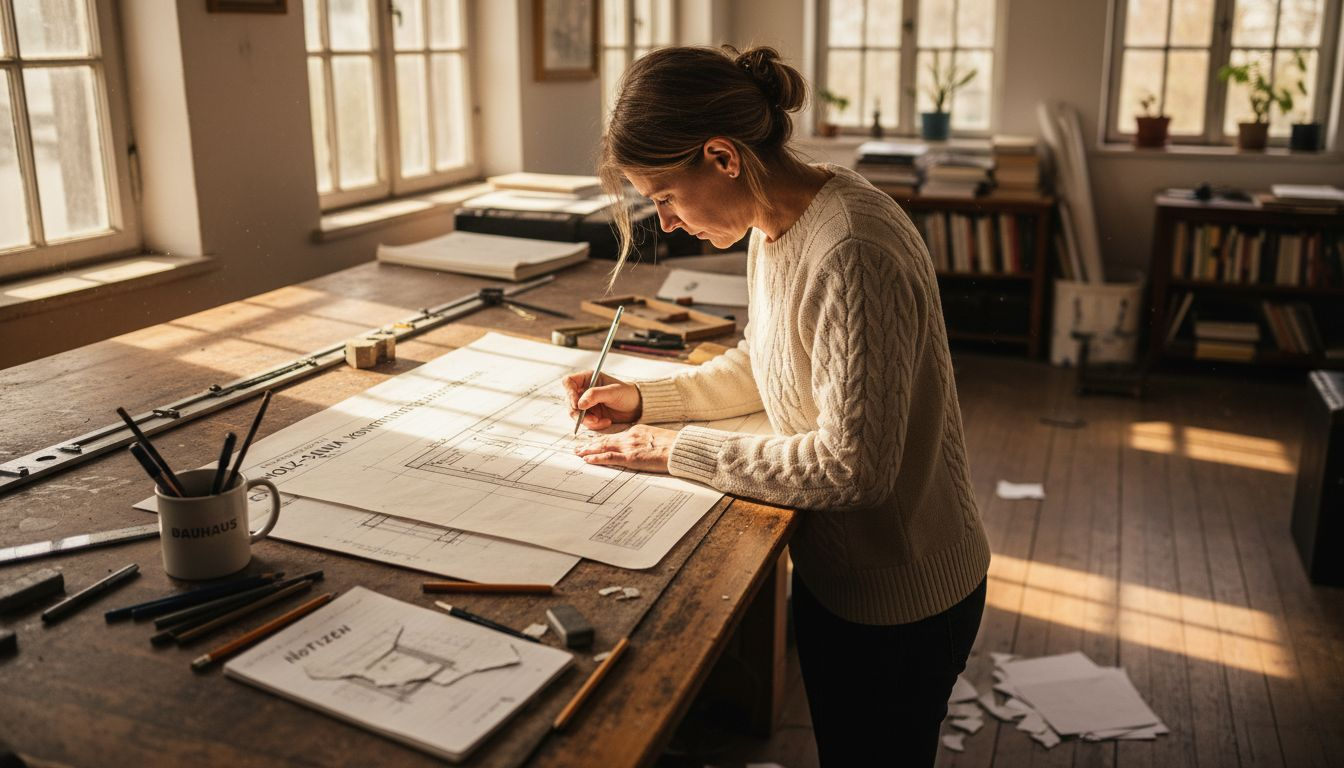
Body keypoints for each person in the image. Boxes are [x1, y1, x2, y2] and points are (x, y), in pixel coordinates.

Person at [563, 45, 990, 766]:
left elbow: (853, 468)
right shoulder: (775, 222)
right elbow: (767, 368)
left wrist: (675, 450)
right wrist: (644, 402)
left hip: (903, 594)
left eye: (664, 197)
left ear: (723, 157)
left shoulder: (850, 249)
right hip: (841, 576)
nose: (665, 222)